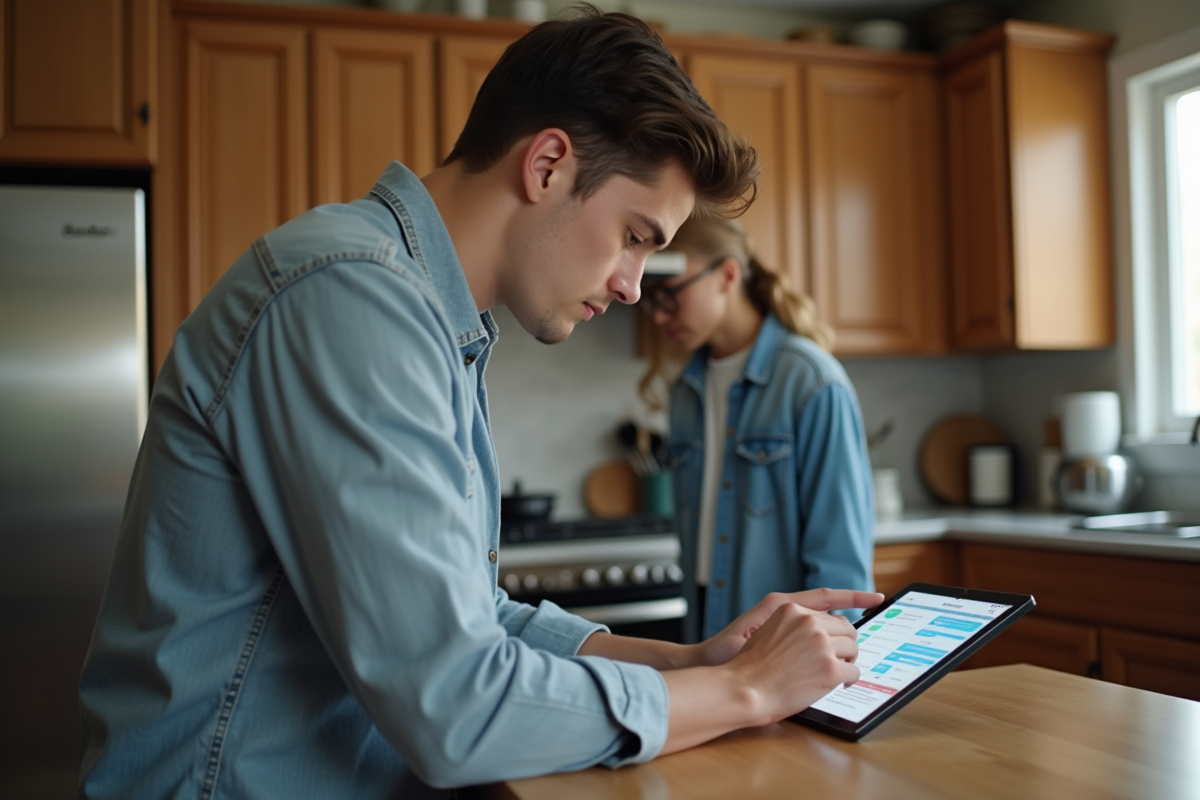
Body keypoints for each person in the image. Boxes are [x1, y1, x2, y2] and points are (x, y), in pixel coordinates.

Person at [78, 8, 883, 799]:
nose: (636, 286)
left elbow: (474, 620)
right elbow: (455, 704)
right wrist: (746, 692)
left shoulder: (428, 318)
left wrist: (694, 661)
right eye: (635, 236)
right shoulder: (351, 298)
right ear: (548, 166)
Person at [638, 216, 875, 643]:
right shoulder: (685, 390)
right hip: (707, 626)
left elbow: (840, 559)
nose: (657, 315)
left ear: (727, 275)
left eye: (670, 295)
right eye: (650, 299)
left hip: (784, 638)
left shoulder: (812, 383)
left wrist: (832, 665)